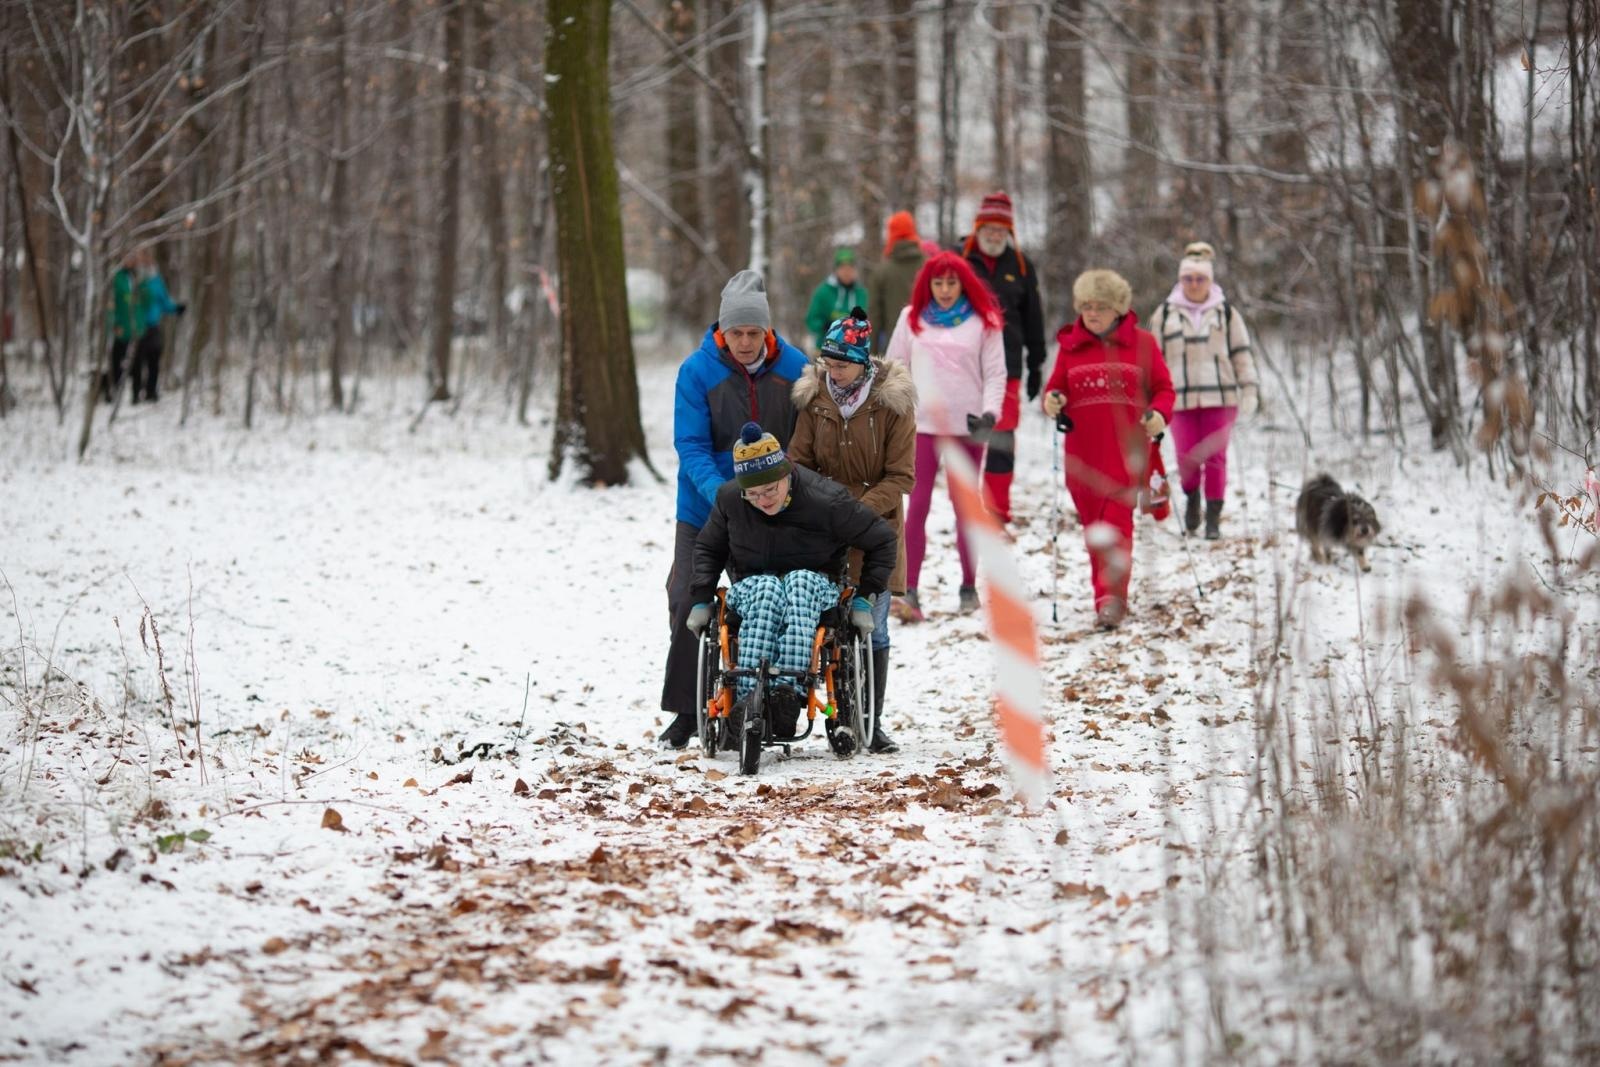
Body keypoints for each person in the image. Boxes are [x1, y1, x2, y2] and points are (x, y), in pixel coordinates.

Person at [658, 270, 812, 750]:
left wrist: (779, 493)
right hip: (704, 507)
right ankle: (688, 710)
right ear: (721, 331)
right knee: (687, 596)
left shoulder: (795, 369)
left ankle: (755, 703)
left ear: (766, 331)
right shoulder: (696, 372)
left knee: (765, 600)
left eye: (753, 333)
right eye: (736, 333)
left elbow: (805, 443)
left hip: (772, 508)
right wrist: (725, 494)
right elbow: (691, 445)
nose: (745, 343)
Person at [687, 422, 898, 757]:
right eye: (752, 494)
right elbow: (708, 549)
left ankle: (788, 692)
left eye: (770, 490)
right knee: (768, 589)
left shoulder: (825, 500)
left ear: (786, 473)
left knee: (797, 582)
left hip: (816, 583)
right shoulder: (730, 500)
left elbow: (882, 541)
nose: (762, 500)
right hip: (755, 584)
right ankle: (746, 699)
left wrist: (865, 596)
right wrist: (700, 597)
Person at [789, 309, 916, 754]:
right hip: (822, 525)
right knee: (827, 622)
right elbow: (798, 463)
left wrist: (858, 512)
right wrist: (823, 507)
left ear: (863, 362)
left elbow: (902, 475)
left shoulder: (893, 404)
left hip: (875, 526)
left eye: (842, 363)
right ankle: (835, 716)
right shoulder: (814, 401)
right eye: (828, 362)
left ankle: (870, 720)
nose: (833, 370)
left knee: (872, 625)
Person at [1042, 269, 1175, 630]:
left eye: (1101, 306)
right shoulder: (1070, 347)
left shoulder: (1143, 344)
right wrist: (1053, 400)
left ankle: (1111, 600)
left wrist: (1159, 413)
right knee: (1095, 533)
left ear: (1118, 309)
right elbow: (1054, 389)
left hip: (1125, 457)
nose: (1093, 313)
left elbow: (1164, 389)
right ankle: (1104, 593)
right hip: (1083, 461)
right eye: (1086, 306)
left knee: (1117, 528)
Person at [883, 251, 1007, 619]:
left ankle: (969, 585)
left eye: (952, 282)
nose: (945, 290)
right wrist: (893, 408)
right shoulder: (912, 319)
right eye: (938, 282)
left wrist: (990, 414)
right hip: (921, 427)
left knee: (966, 508)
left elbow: (996, 374)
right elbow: (895, 367)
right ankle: (910, 590)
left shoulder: (984, 322)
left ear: (964, 283)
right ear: (928, 284)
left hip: (967, 427)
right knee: (916, 506)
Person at [1147, 241, 1258, 539]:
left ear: (1210, 280)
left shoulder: (1226, 313)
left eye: (1200, 279)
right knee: (1187, 457)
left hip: (1220, 398)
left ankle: (1213, 517)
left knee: (1216, 457)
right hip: (1179, 400)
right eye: (1188, 279)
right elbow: (1151, 359)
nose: (1194, 284)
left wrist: (1249, 388)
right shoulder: (1165, 314)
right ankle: (1192, 500)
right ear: (1181, 280)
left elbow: (1241, 353)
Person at [960, 191, 1047, 532]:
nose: (995, 236)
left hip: (1008, 366)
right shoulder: (961, 260)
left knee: (1002, 438)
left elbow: (1033, 317)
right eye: (989, 229)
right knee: (969, 437)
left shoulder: (1021, 266)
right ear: (979, 228)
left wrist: (1036, 362)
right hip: (966, 365)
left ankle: (996, 511)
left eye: (1001, 230)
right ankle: (967, 507)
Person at [129, 247, 185, 404]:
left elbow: (164, 302)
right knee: (137, 362)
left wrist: (176, 308)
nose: (144, 262)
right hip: (136, 327)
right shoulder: (133, 279)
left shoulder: (156, 280)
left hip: (153, 326)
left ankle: (151, 392)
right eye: (141, 258)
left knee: (153, 360)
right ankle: (135, 392)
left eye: (147, 258)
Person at [868, 211, 927, 355]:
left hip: (894, 350)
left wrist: (871, 357)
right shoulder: (929, 266)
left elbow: (874, 320)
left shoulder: (881, 272)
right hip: (928, 348)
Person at [804, 248, 868, 351]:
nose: (846, 272)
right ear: (836, 270)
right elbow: (811, 320)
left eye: (850, 268)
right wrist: (826, 327)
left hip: (853, 351)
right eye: (843, 268)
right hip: (825, 347)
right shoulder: (823, 291)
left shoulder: (860, 293)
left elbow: (866, 319)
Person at [100, 251, 139, 403]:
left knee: (134, 363)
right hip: (120, 328)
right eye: (128, 259)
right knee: (115, 362)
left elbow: (138, 302)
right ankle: (110, 391)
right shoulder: (117, 278)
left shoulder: (135, 277)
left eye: (133, 259)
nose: (131, 262)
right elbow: (111, 304)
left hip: (133, 328)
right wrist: (114, 323)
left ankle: (134, 394)